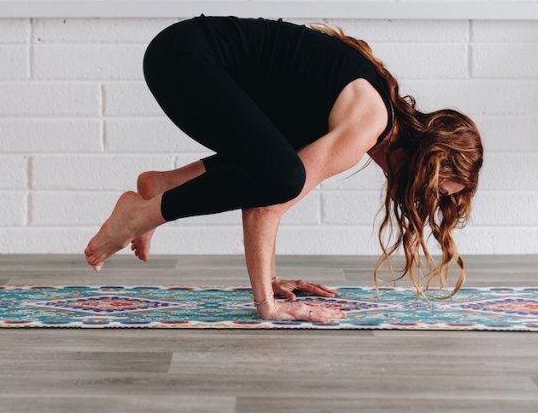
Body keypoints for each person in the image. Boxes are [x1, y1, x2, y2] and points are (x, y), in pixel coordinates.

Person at [84, 16, 483, 323]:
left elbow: (260, 178)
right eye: (432, 191)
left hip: (181, 54)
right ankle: (139, 215)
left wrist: (271, 276)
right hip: (183, 58)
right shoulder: (369, 123)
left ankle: (162, 186)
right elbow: (266, 204)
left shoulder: (367, 115)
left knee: (276, 166)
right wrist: (267, 304)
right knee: (281, 177)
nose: (420, 201)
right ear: (426, 163)